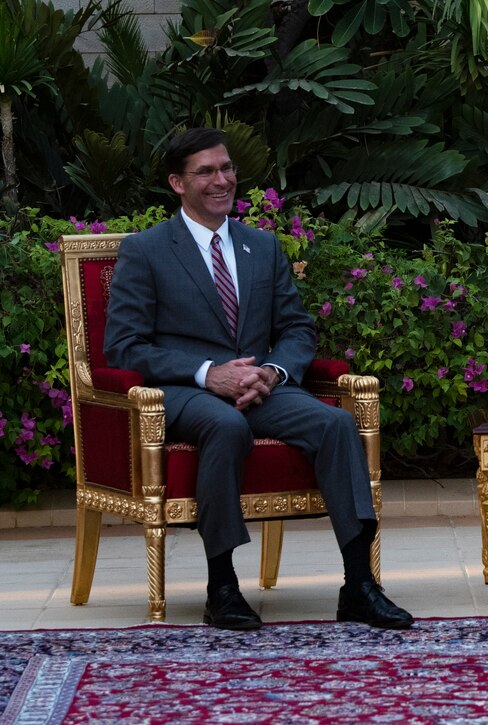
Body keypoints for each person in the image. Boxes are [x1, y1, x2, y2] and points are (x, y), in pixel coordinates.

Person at [104, 127, 414, 631]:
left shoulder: (262, 247)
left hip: (261, 386)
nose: (221, 179)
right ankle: (222, 588)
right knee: (226, 427)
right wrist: (209, 373)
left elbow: (296, 328)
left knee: (336, 425)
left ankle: (359, 585)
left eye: (226, 168)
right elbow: (124, 346)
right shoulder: (147, 250)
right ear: (177, 183)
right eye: (205, 171)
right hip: (185, 393)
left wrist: (271, 370)